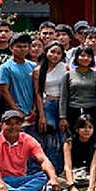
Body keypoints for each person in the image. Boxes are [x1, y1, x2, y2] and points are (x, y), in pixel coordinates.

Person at [0, 109, 61, 191]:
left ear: (21, 125)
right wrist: (2, 186)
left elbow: (43, 160)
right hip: (1, 179)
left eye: (17, 123)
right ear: (1, 125)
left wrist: (53, 178)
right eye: (9, 123)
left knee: (45, 176)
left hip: (21, 179)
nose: (13, 127)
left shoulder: (28, 139)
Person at [34, 43, 68, 174]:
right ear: (46, 52)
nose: (55, 56)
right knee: (50, 140)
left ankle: (63, 170)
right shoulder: (38, 70)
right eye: (52, 52)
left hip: (62, 104)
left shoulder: (64, 68)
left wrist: (64, 115)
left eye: (58, 53)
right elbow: (37, 93)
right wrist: (41, 115)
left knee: (63, 138)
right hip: (47, 104)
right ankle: (51, 171)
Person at [61, 114, 96, 191]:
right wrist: (72, 187)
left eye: (90, 127)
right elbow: (67, 166)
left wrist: (91, 187)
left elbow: (94, 166)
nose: (87, 130)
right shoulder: (69, 143)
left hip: (89, 176)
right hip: (74, 176)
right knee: (55, 179)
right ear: (77, 129)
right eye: (83, 127)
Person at [61, 45, 96, 132]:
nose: (85, 58)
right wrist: (62, 117)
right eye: (82, 55)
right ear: (76, 57)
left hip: (92, 110)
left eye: (89, 56)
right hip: (73, 110)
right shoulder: (68, 75)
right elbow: (64, 97)